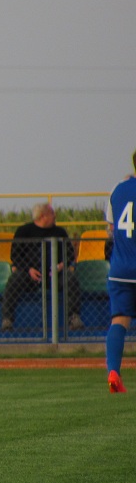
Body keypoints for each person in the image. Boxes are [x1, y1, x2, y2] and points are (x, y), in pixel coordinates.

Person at [0, 203, 83, 331]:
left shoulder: (59, 232)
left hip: (55, 274)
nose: (55, 216)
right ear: (43, 216)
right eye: (52, 213)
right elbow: (15, 255)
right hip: (30, 275)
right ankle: (7, 319)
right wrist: (28, 269)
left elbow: (70, 253)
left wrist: (62, 265)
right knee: (14, 280)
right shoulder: (24, 231)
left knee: (70, 279)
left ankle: (73, 317)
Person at [105, 160, 136, 393]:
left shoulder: (117, 189)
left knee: (119, 321)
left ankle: (113, 372)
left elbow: (110, 229)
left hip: (119, 271)